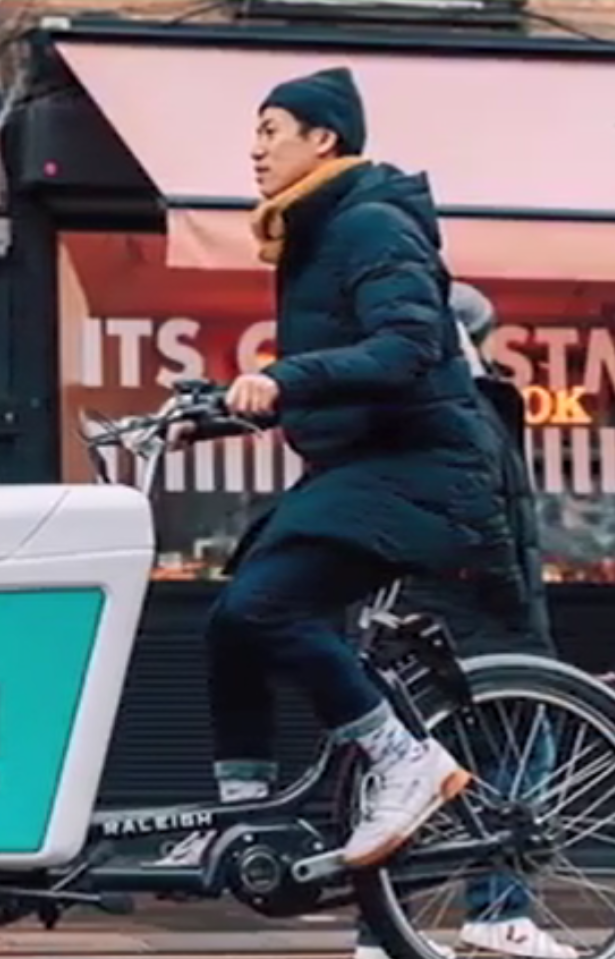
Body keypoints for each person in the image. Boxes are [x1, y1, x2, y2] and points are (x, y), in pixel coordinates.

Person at [171, 66, 517, 869]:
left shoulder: (370, 225)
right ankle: (243, 813)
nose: (253, 150)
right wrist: (216, 409)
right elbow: (343, 370)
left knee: (265, 607)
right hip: (366, 466)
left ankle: (408, 762)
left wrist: (284, 379)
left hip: (422, 469)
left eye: (270, 131)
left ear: (321, 139)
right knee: (231, 622)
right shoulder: (316, 230)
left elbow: (406, 349)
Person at [351, 282, 577, 959]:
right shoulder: (462, 407)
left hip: (439, 611)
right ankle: (494, 915)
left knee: (409, 776)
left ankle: (387, 932)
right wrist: (513, 602)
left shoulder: (444, 403)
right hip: (471, 616)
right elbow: (483, 519)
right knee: (508, 763)